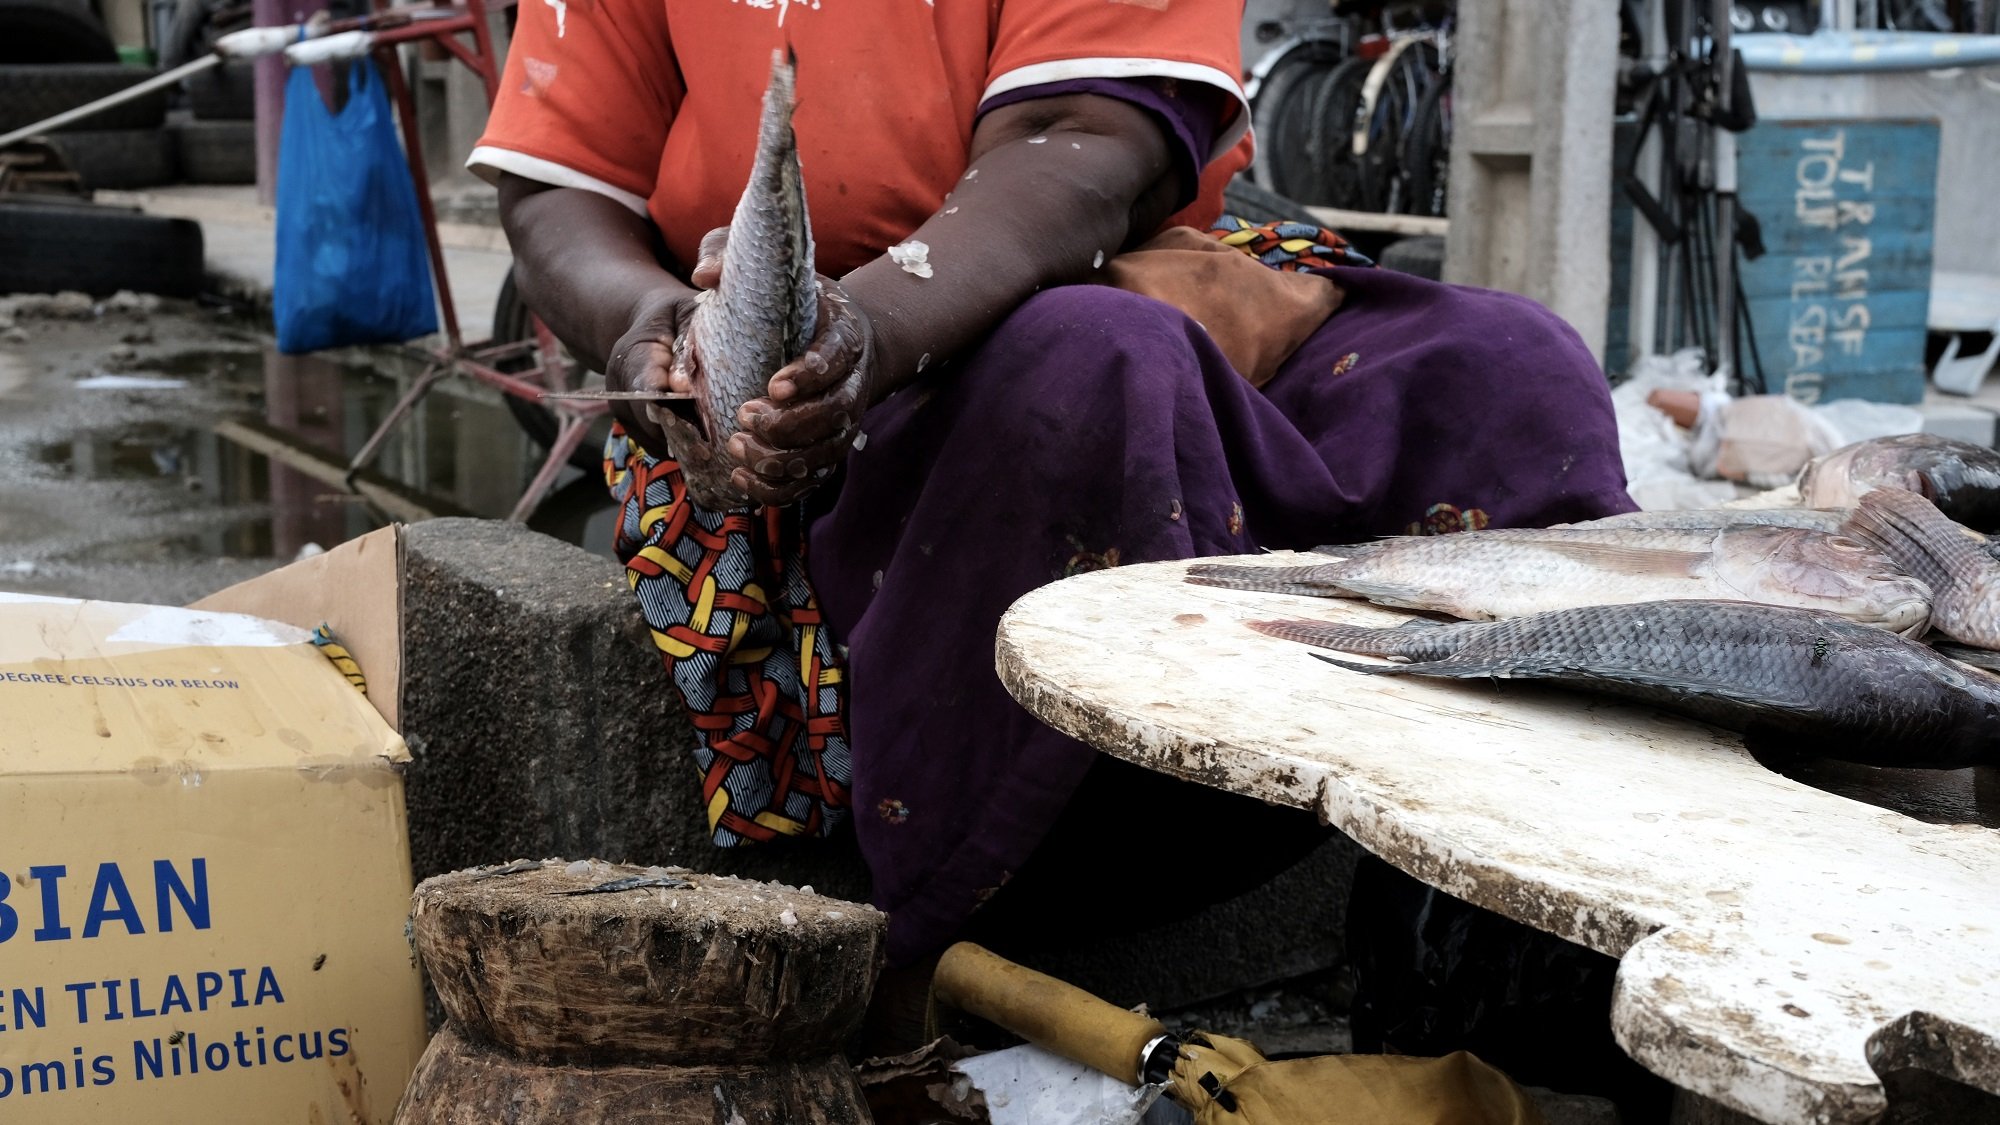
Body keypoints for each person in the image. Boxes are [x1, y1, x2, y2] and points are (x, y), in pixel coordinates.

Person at [470, 0, 1635, 1001]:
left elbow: (1083, 133)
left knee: (1510, 369)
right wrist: (655, 328)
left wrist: (870, 328)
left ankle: (1521, 896)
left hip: (1057, 269)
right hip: (806, 392)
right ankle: (936, 939)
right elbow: (558, 197)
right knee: (1095, 367)